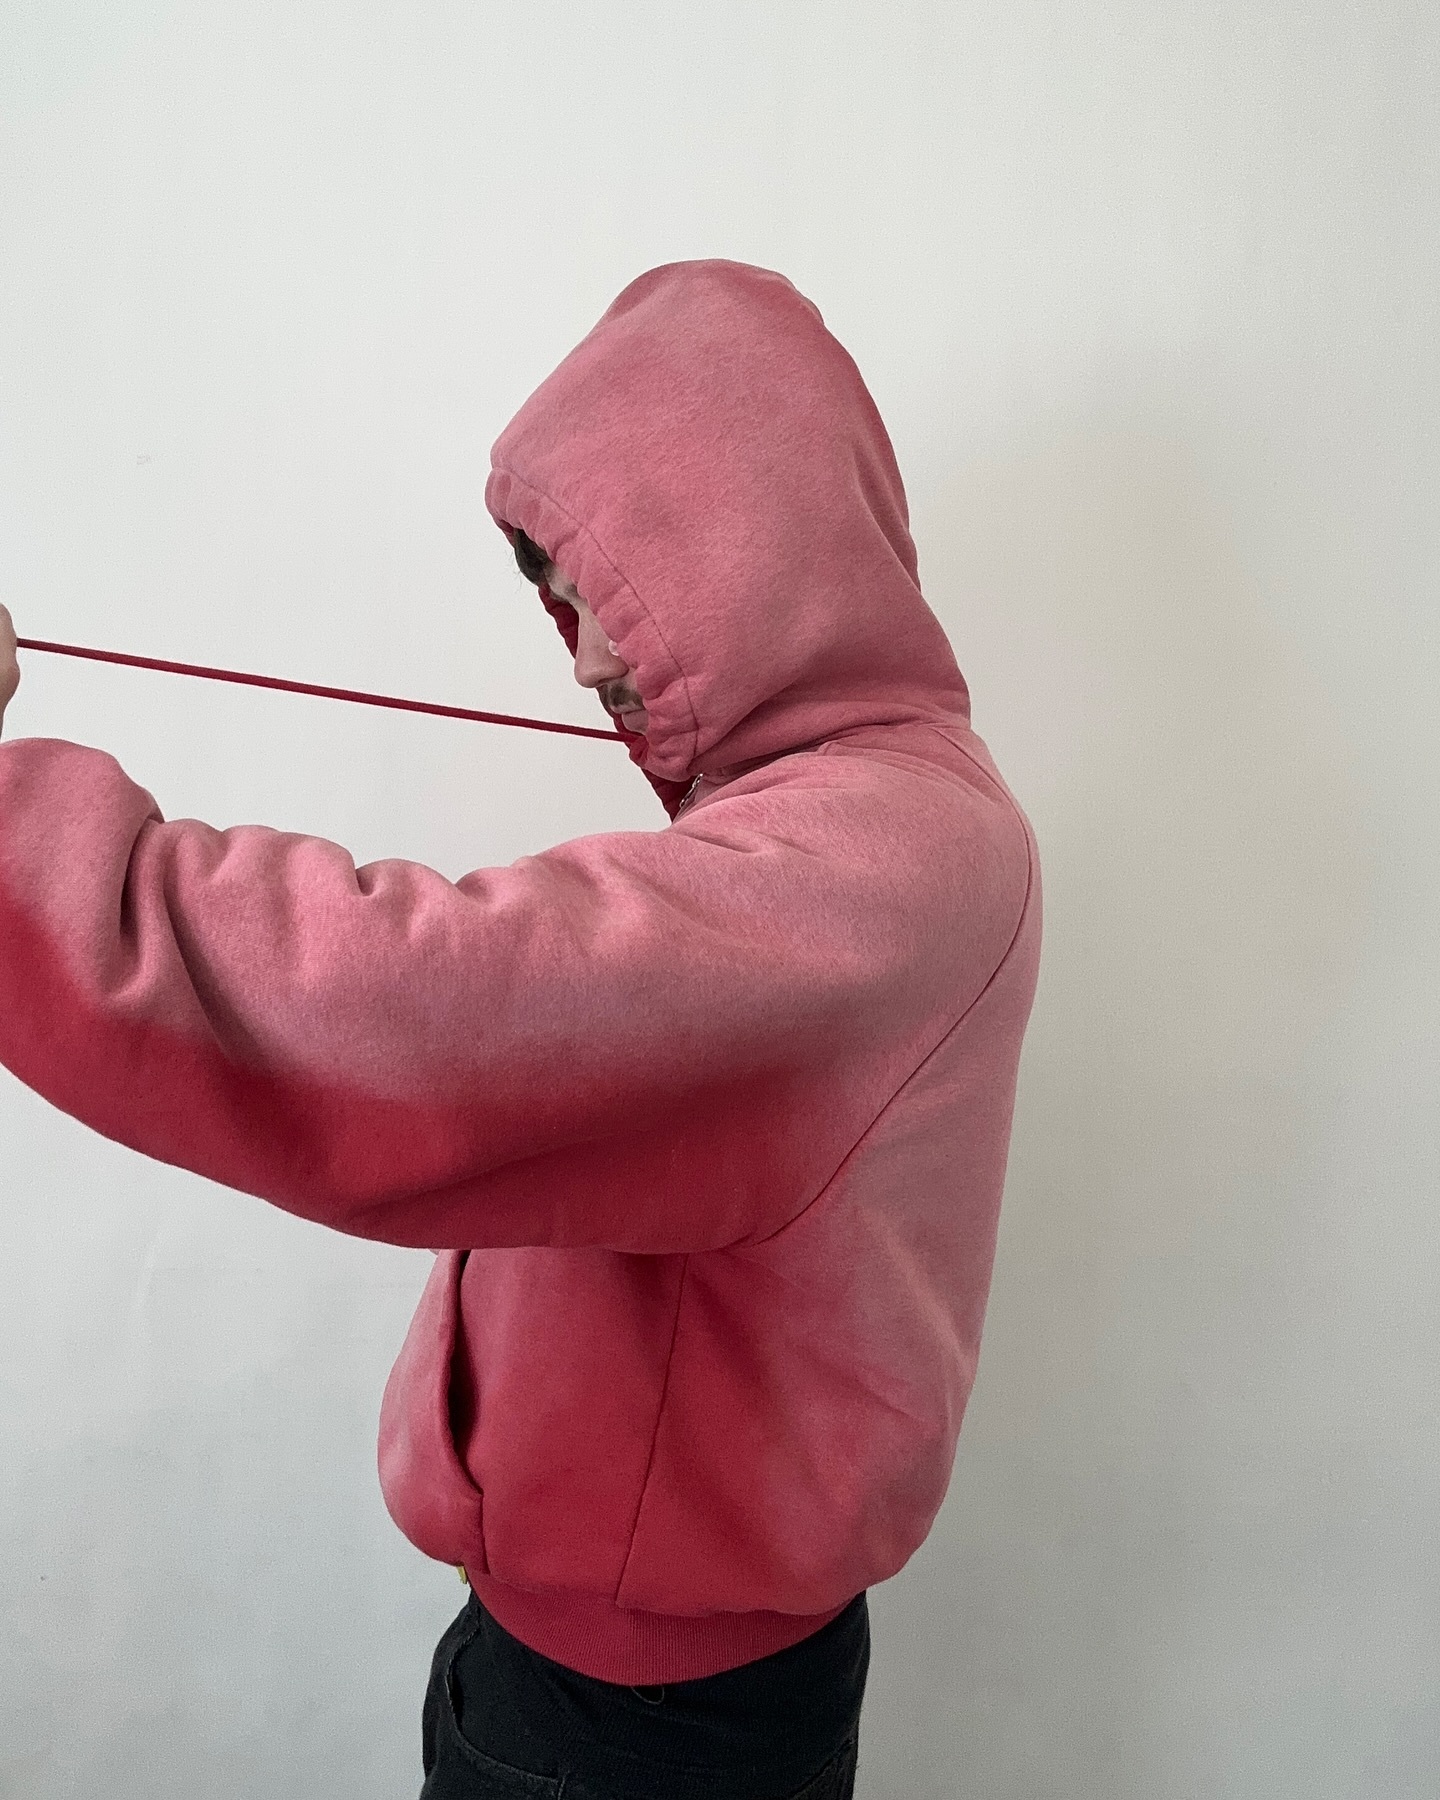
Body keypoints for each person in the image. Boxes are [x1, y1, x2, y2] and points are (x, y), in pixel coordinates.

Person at [0, 259, 1043, 1799]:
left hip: (644, 1727)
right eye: (561, 599)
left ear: (757, 547)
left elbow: (407, 1011)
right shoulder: (878, 820)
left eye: (615, 588)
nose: (589, 658)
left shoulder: (877, 861)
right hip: (602, 1682)